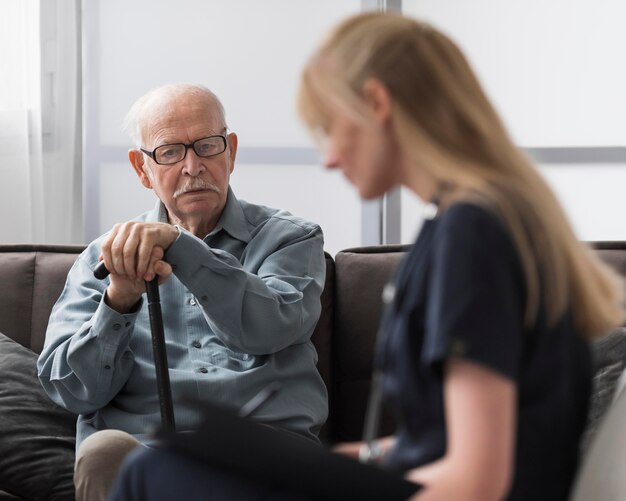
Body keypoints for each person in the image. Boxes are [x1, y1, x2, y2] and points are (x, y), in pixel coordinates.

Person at [108, 12, 626, 501]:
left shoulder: (472, 236)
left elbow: (477, 481)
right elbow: (449, 442)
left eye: (330, 128)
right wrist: (335, 461)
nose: (330, 158)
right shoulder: (482, 220)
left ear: (376, 104)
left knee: (150, 472)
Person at [36, 83, 328, 501]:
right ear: (142, 169)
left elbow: (268, 329)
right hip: (144, 454)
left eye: (207, 146)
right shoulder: (102, 259)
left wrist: (179, 245)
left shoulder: (290, 240)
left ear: (231, 152)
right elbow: (70, 390)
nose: (193, 166)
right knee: (104, 451)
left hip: (261, 452)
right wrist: (118, 301)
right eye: (170, 152)